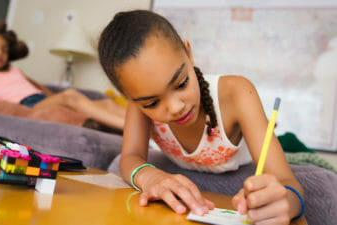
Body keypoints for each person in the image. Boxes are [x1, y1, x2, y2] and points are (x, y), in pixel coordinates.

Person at [98, 10, 305, 224]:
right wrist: (150, 176)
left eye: (181, 84)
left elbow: (288, 183)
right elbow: (130, 157)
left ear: (189, 54)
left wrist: (287, 203)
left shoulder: (237, 93)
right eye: (152, 103)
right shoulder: (138, 103)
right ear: (130, 96)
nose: (176, 107)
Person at [0, 21, 125, 133]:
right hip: (28, 106)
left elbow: (39, 88)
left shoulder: (14, 70)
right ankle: (126, 127)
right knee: (70, 95)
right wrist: (65, 99)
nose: (0, 53)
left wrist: (58, 100)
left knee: (107, 103)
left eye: (4, 50)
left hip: (44, 100)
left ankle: (142, 128)